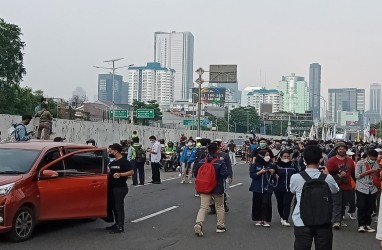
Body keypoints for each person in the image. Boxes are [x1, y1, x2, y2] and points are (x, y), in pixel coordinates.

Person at [290, 145, 339, 250]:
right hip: (323, 220)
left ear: (304, 159)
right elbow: (335, 190)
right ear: (321, 159)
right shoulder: (327, 178)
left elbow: (292, 190)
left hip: (301, 220)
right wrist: (327, 174)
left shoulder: (296, 177)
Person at [193, 143, 228, 236]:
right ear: (217, 151)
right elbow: (224, 174)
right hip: (217, 188)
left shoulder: (201, 162)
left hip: (204, 187)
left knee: (203, 206)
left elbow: (195, 172)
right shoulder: (220, 162)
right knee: (219, 206)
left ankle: (199, 223)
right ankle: (220, 226)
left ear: (207, 150)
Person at [105, 143, 134, 234]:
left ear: (116, 151)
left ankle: (120, 226)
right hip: (112, 187)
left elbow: (131, 172)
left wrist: (121, 174)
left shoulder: (124, 162)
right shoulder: (113, 162)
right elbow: (109, 172)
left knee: (118, 207)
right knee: (113, 207)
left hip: (120, 188)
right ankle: (116, 223)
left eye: (112, 150)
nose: (110, 151)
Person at [326, 141, 356, 230]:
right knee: (337, 203)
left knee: (343, 203)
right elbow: (328, 173)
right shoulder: (332, 160)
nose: (342, 150)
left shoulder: (350, 160)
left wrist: (355, 183)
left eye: (343, 149)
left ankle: (340, 218)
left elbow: (353, 173)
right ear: (336, 150)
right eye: (339, 149)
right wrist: (338, 174)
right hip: (335, 185)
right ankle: (336, 221)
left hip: (347, 185)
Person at [249, 150, 277, 227]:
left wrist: (273, 172)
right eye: (266, 155)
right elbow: (252, 175)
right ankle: (258, 219)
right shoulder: (255, 165)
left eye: (268, 155)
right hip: (257, 187)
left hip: (268, 187)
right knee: (257, 203)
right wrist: (260, 172)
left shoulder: (271, 165)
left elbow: (276, 176)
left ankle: (265, 220)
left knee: (266, 203)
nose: (267, 157)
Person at [355, 149, 380, 233]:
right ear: (368, 156)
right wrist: (368, 172)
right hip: (361, 187)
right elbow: (357, 176)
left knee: (370, 207)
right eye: (372, 159)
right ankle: (361, 225)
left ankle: (368, 224)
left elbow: (376, 177)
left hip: (372, 188)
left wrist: (377, 174)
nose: (373, 161)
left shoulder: (376, 164)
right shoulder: (360, 163)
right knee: (361, 206)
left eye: (375, 159)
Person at [274, 150, 299, 227]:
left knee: (287, 203)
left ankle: (285, 219)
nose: (286, 158)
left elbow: (297, 174)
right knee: (280, 203)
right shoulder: (276, 165)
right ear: (281, 157)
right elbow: (271, 174)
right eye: (284, 156)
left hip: (289, 187)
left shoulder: (293, 165)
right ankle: (282, 216)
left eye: (288, 156)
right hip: (278, 187)